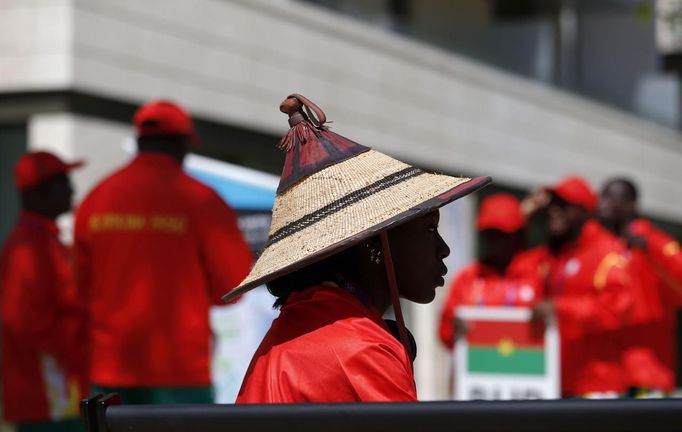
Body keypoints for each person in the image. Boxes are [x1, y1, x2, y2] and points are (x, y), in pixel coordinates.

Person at [225, 94, 491, 403]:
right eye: (429, 230)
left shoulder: (305, 322)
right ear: (375, 245)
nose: (443, 249)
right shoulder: (359, 348)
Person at [74, 100, 253, 404]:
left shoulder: (97, 198)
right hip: (180, 371)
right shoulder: (203, 201)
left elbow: (78, 287)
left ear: (140, 142)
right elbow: (233, 287)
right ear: (182, 144)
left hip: (109, 368)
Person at [1, 151, 87, 431]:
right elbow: (23, 323)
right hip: (49, 398)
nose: (72, 189)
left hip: (58, 395)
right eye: (63, 182)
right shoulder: (28, 248)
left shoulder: (43, 240)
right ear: (38, 193)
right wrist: (79, 348)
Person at [528, 176, 633, 397]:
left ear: (585, 212)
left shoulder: (608, 251)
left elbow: (615, 311)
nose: (554, 210)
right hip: (558, 385)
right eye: (552, 204)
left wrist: (559, 308)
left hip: (599, 389)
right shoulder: (555, 255)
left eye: (564, 205)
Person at [599, 177, 682, 394]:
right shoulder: (605, 246)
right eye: (602, 195)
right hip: (610, 377)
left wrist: (650, 249)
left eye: (611, 196)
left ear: (631, 204)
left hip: (648, 374)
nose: (603, 202)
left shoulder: (654, 240)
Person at [438, 193, 543, 350]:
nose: (495, 241)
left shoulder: (537, 272)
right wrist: (454, 329)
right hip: (477, 370)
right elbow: (444, 332)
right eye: (490, 233)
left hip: (525, 369)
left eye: (502, 234)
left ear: (517, 235)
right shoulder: (467, 278)